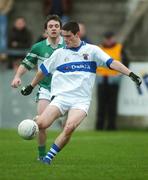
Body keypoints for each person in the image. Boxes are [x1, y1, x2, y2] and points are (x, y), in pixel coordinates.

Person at [21, 21, 142, 165]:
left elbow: (112, 62)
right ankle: (33, 123)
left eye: (68, 36)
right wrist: (31, 85)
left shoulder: (92, 50)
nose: (65, 39)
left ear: (77, 34)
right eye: (63, 36)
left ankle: (48, 158)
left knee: (69, 127)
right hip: (61, 98)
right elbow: (43, 71)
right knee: (42, 124)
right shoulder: (59, 53)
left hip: (81, 100)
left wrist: (130, 74)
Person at [11, 15, 65, 160]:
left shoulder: (68, 46)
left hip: (65, 91)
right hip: (46, 89)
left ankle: (60, 118)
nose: (54, 29)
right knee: (41, 124)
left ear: (61, 29)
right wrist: (17, 76)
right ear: (45, 31)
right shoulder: (38, 47)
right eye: (50, 26)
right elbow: (26, 64)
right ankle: (41, 156)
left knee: (66, 125)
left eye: (56, 26)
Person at [96, 31, 129, 130]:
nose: (108, 40)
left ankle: (111, 126)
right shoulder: (99, 48)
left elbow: (126, 62)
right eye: (107, 38)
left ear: (113, 38)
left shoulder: (119, 48)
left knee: (112, 105)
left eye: (110, 38)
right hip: (101, 79)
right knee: (101, 105)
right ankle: (99, 127)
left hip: (114, 80)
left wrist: (121, 74)